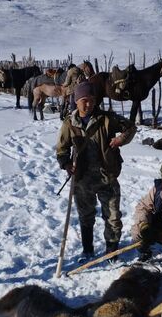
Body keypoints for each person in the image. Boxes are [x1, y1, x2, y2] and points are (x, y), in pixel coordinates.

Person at [56, 81, 137, 263]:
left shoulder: (107, 119)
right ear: (76, 101)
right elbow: (61, 150)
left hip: (107, 175)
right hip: (83, 179)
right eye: (84, 100)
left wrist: (120, 140)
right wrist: (67, 164)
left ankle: (111, 250)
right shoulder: (69, 124)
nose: (89, 104)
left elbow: (131, 127)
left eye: (92, 100)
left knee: (113, 216)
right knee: (86, 217)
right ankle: (88, 250)